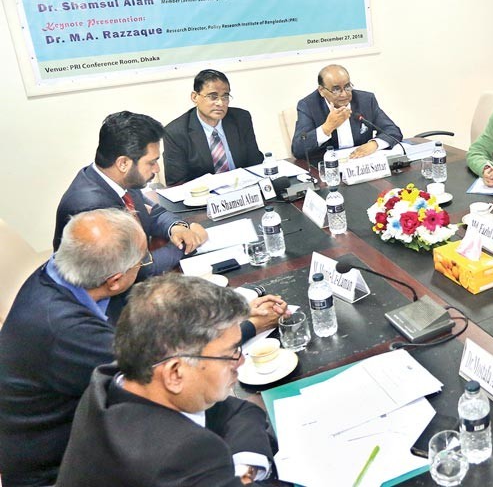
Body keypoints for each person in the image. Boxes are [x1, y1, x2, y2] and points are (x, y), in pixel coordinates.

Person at [0, 209, 287, 487]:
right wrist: (246, 328)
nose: (237, 363)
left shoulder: (63, 276)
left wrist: (224, 325)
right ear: (114, 280)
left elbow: (238, 412)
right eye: (142, 260)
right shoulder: (64, 331)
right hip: (48, 472)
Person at [56, 275, 276, 487]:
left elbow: (239, 411)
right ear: (175, 373)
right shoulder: (178, 457)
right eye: (230, 354)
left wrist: (245, 469)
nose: (240, 362)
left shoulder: (114, 381)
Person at [53, 111, 208, 277]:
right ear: (123, 163)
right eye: (151, 162)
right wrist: (188, 243)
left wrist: (177, 228)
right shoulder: (91, 209)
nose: (157, 169)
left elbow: (154, 212)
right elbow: (136, 270)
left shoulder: (120, 179)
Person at [163, 69, 265, 185]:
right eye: (213, 96)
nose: (220, 103)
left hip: (243, 192)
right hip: (204, 198)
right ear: (195, 97)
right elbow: (177, 184)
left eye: (225, 97)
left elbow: (255, 163)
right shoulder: (175, 133)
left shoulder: (241, 119)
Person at [291, 64, 403, 160]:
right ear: (321, 91)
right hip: (328, 169)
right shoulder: (308, 106)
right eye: (336, 89)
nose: (344, 94)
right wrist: (327, 127)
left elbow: (393, 131)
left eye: (347, 87)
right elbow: (298, 150)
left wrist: (374, 144)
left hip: (361, 164)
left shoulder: (366, 100)